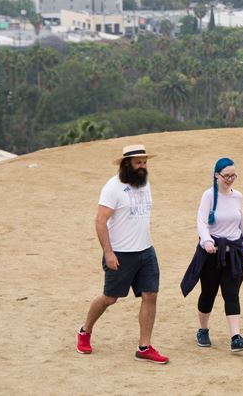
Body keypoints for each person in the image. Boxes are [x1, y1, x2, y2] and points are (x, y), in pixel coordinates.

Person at [76, 144, 168, 364]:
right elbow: (100, 221)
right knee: (110, 298)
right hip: (121, 254)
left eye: (145, 162)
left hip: (146, 250)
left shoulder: (144, 184)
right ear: (127, 164)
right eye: (138, 163)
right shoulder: (113, 187)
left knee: (151, 295)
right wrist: (108, 252)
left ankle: (144, 347)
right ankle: (85, 331)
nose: (143, 166)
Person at [181, 158, 243, 352]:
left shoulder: (238, 196)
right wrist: (206, 241)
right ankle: (203, 330)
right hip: (212, 253)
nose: (230, 179)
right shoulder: (208, 196)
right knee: (208, 293)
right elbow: (201, 221)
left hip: (233, 253)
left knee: (232, 294)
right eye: (226, 176)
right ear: (217, 175)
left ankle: (235, 337)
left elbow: (242, 224)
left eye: (233, 176)